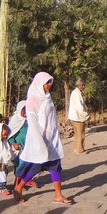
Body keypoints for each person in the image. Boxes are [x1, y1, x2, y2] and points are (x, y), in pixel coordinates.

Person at [12, 72, 73, 205]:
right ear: (40, 83)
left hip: (51, 138)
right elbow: (33, 122)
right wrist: (39, 141)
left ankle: (58, 194)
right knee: (36, 166)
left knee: (55, 165)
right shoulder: (33, 99)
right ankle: (19, 187)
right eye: (47, 83)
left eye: (50, 83)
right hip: (39, 138)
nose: (49, 86)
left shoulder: (47, 97)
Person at [67, 78, 89, 153]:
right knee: (81, 134)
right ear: (78, 85)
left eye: (84, 85)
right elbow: (79, 107)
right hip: (78, 117)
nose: (83, 87)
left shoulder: (76, 93)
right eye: (82, 85)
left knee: (77, 134)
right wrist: (86, 116)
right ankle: (80, 149)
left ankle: (76, 148)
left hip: (74, 117)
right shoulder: (77, 94)